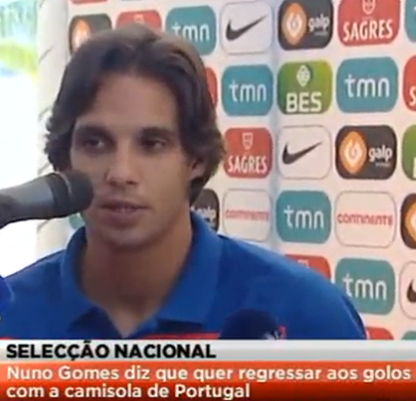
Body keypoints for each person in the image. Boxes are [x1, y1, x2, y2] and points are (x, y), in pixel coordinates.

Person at [0, 24, 366, 339]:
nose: (121, 172)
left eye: (152, 144)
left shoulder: (306, 313)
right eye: (95, 143)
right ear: (65, 158)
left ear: (196, 158)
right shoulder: (11, 315)